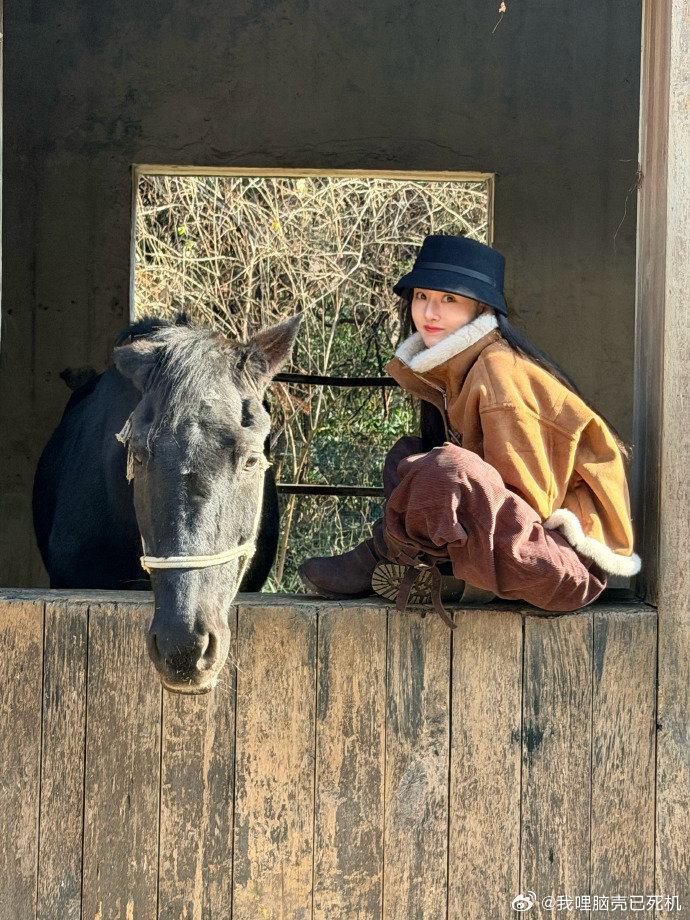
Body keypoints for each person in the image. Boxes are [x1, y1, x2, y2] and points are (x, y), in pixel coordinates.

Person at [298, 234, 641, 627]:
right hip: (527, 548)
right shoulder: (459, 368)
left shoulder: (499, 373)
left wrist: (445, 505)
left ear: (480, 308)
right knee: (407, 454)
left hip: (563, 568)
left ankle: (387, 555)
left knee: (446, 469)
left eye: (449, 300)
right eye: (421, 296)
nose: (429, 312)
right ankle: (421, 565)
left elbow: (531, 505)